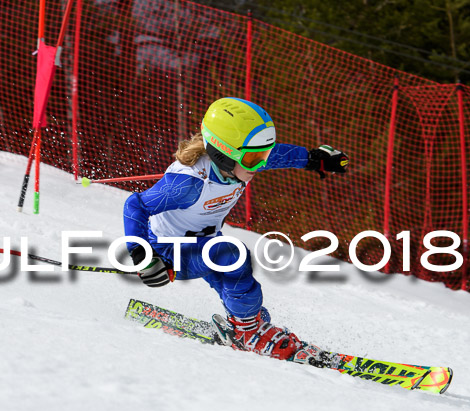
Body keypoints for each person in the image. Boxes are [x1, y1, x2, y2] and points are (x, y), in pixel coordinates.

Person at [123, 97, 349, 363]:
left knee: (243, 294)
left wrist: (313, 159)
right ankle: (246, 332)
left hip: (205, 242)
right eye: (255, 158)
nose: (262, 163)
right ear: (223, 154)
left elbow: (276, 155)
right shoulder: (187, 186)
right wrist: (143, 256)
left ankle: (245, 324)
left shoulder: (235, 164)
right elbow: (134, 205)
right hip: (169, 254)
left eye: (262, 155)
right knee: (232, 256)